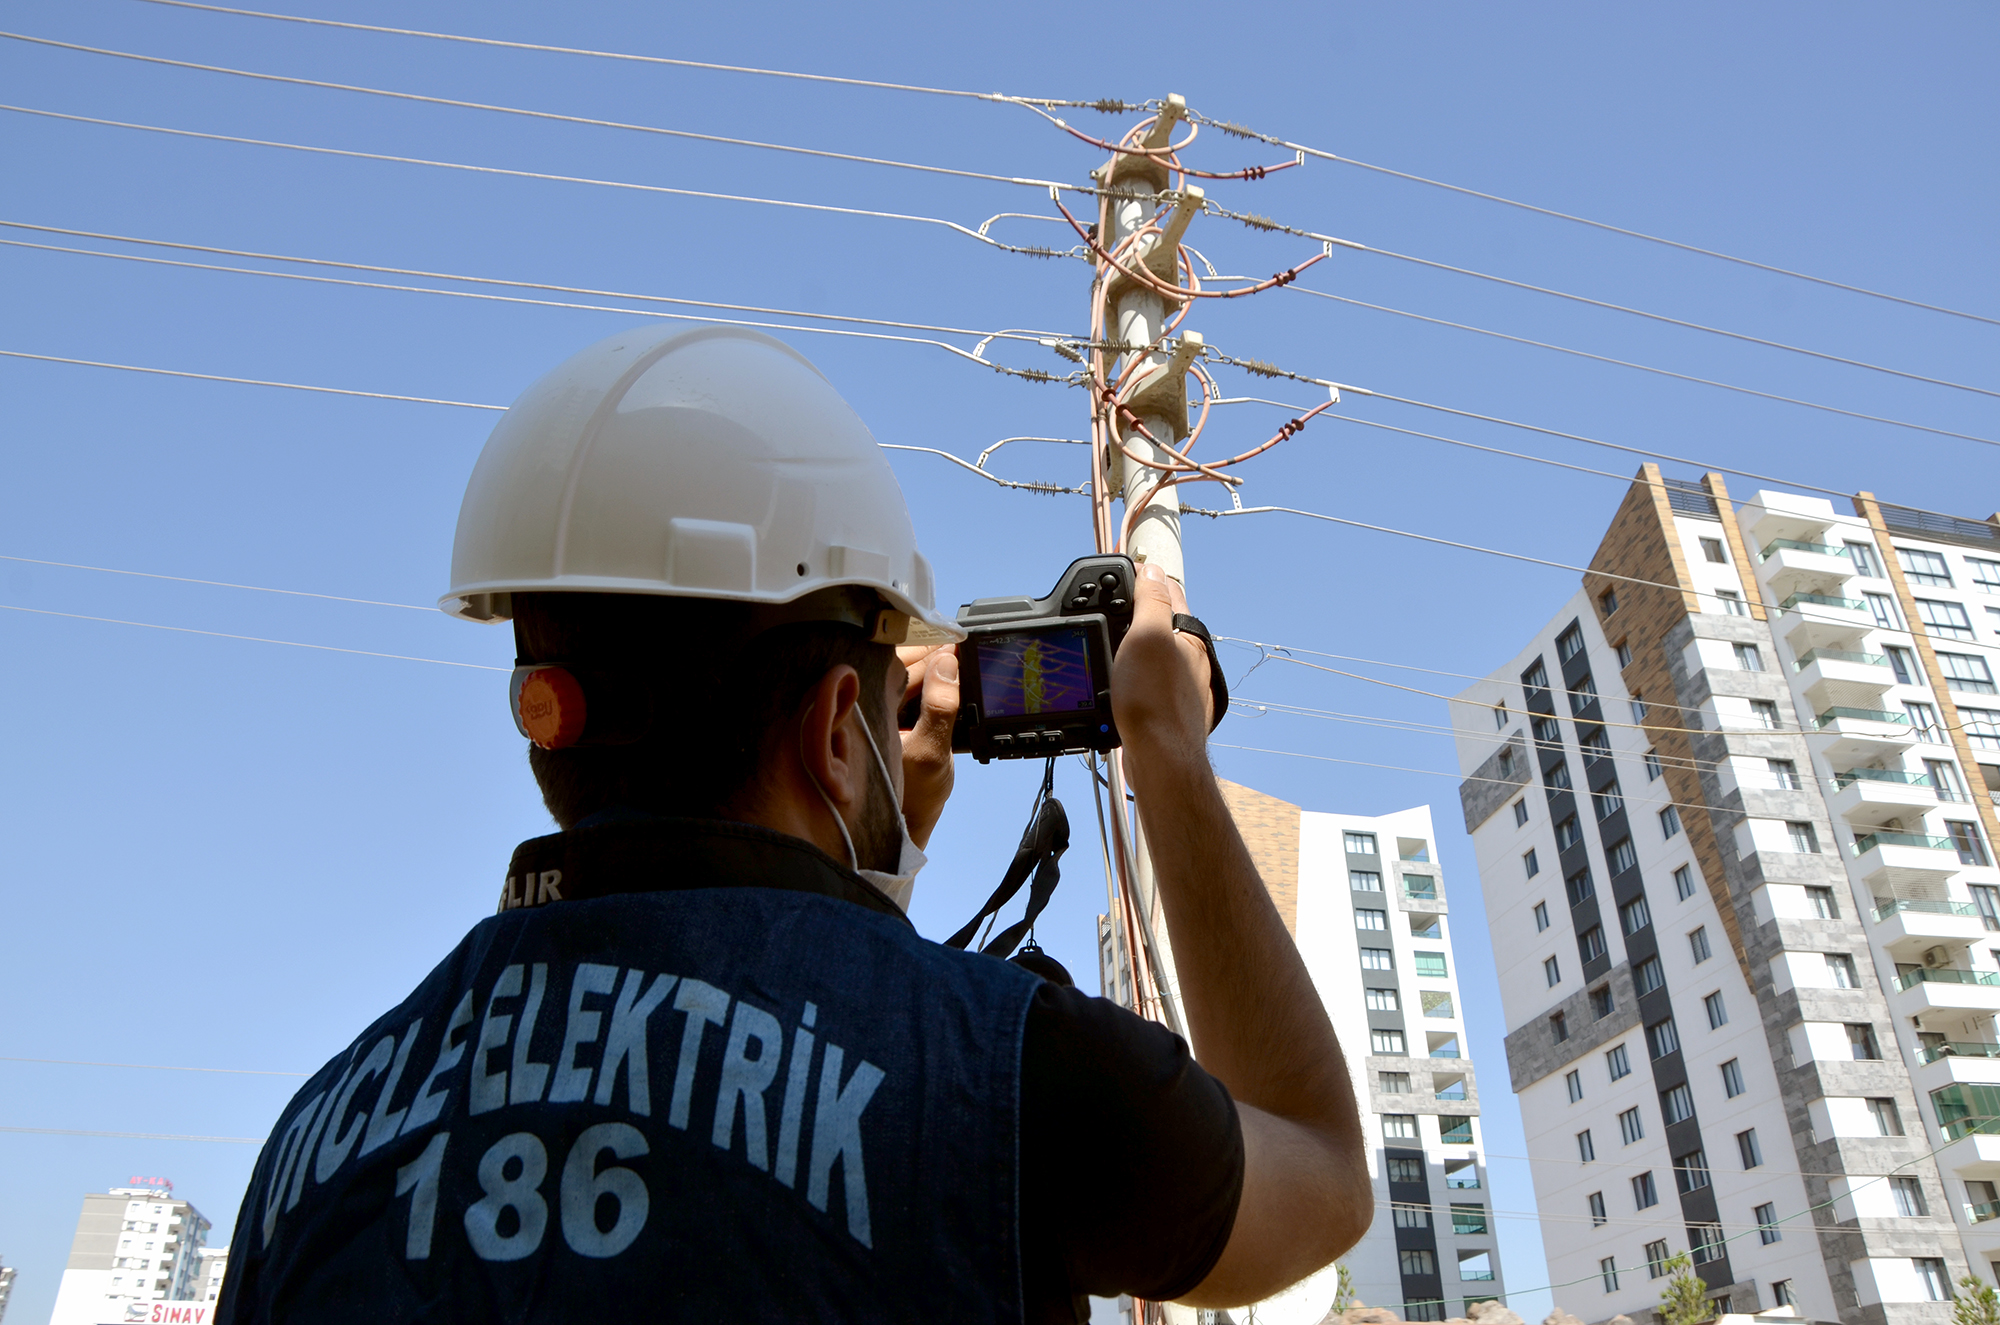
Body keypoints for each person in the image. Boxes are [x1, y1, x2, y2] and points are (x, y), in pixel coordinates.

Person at [216, 326, 1367, 1324]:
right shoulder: (1009, 1077)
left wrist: (870, 880)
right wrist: (1165, 746)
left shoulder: (312, 1140)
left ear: (546, 707)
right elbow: (1316, 1174)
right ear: (831, 727)